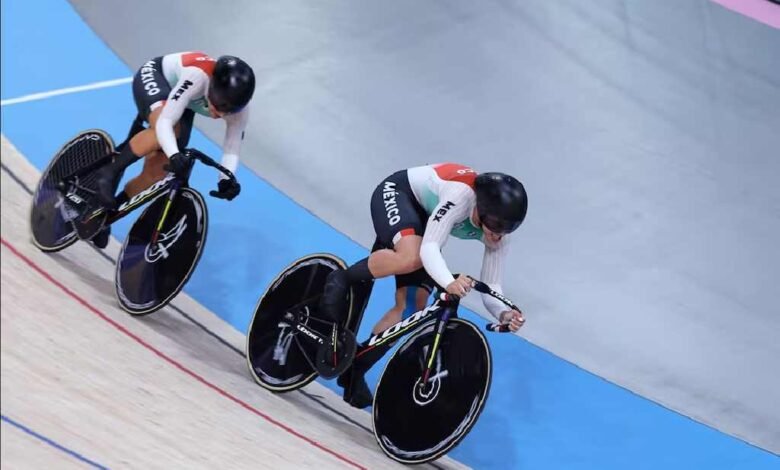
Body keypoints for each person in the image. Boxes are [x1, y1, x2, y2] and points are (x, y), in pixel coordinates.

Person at [319, 163, 528, 409]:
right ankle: (342, 278)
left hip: (427, 218)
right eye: (495, 223)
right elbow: (429, 248)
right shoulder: (461, 196)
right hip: (400, 194)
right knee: (412, 256)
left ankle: (355, 369)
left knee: (412, 309)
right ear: (480, 208)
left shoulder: (499, 235)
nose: (498, 234)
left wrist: (504, 313)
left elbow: (492, 284)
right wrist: (449, 282)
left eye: (508, 227)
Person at [82, 52, 254, 248]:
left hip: (185, 101)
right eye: (220, 104)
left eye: (229, 110)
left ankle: (106, 214)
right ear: (213, 85)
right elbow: (165, 122)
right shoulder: (198, 76)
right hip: (158, 77)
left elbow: (231, 149)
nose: (221, 113)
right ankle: (108, 172)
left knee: (158, 173)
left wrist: (226, 179)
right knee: (167, 131)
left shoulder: (240, 110)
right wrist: (174, 154)